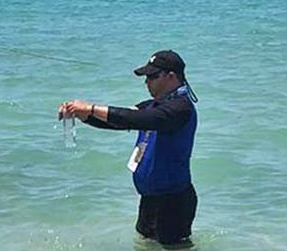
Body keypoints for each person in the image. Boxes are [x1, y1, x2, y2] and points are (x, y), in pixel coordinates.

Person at [58, 50, 198, 248]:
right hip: (150, 199)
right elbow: (118, 122)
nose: (146, 82)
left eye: (152, 76)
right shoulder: (153, 106)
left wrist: (90, 108)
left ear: (171, 76)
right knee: (143, 245)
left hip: (174, 201)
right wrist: (80, 114)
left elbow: (134, 119)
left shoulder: (180, 109)